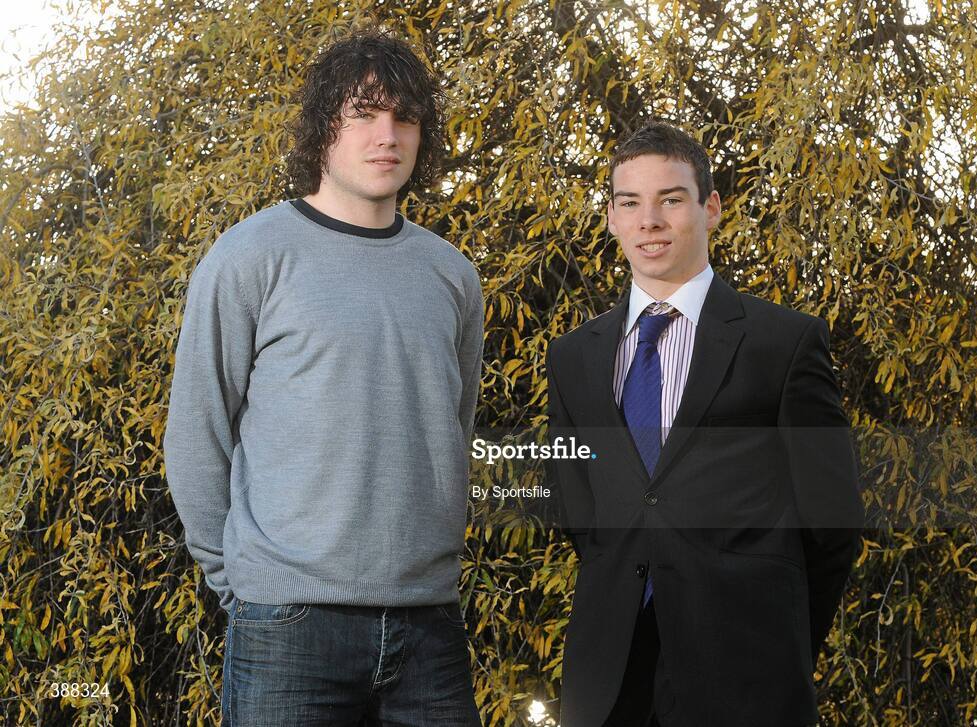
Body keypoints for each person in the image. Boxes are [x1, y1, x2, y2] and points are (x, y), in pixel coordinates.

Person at [164, 28, 484, 727]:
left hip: (429, 627)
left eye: (404, 117)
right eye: (363, 113)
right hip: (290, 629)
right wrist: (244, 588)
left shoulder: (452, 275)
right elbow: (196, 436)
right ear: (322, 128)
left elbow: (451, 436)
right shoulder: (250, 257)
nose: (386, 135)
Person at [546, 120, 864, 726]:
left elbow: (833, 522)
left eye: (670, 199)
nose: (650, 221)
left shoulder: (785, 343)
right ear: (612, 218)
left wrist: (779, 642)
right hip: (608, 683)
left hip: (748, 678)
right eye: (630, 203)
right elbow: (580, 513)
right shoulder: (572, 358)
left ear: (710, 207)